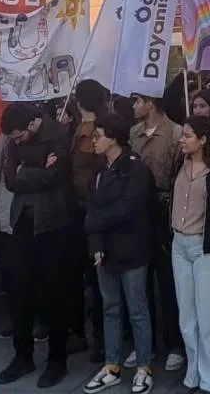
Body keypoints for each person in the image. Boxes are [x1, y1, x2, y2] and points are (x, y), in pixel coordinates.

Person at [0, 105, 75, 388]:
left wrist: (25, 170)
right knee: (19, 290)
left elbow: (58, 175)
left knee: (54, 292)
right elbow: (10, 178)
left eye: (19, 136)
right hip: (22, 221)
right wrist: (39, 168)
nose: (16, 142)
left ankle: (57, 360)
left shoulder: (58, 134)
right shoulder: (13, 139)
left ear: (32, 124)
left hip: (52, 221)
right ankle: (22, 355)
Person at [82, 114, 156, 394]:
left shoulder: (135, 169)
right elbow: (92, 207)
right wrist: (95, 243)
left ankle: (144, 367)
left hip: (132, 248)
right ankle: (111, 365)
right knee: (110, 308)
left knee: (137, 309)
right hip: (105, 251)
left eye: (98, 135)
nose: (94, 141)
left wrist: (94, 224)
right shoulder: (98, 172)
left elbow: (129, 208)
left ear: (113, 137)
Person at [169, 116, 210, 394]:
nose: (182, 140)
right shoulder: (179, 164)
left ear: (203, 139)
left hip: (205, 247)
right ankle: (194, 373)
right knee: (187, 316)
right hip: (179, 244)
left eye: (187, 135)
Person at [129, 94, 185, 373]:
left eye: (138, 101)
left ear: (150, 103)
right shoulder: (133, 133)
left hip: (164, 209)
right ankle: (145, 343)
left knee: (168, 281)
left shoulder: (176, 133)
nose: (134, 106)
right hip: (137, 210)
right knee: (141, 281)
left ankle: (174, 344)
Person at [70, 80, 111, 363]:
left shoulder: (97, 130)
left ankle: (100, 337)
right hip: (76, 208)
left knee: (98, 279)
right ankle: (87, 334)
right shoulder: (76, 128)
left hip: (91, 207)